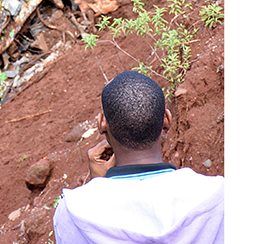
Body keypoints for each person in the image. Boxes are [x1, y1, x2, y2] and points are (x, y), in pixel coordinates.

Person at [53, 71, 225, 244]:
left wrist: (96, 184)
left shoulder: (72, 213)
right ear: (166, 119)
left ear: (101, 123)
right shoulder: (219, 196)